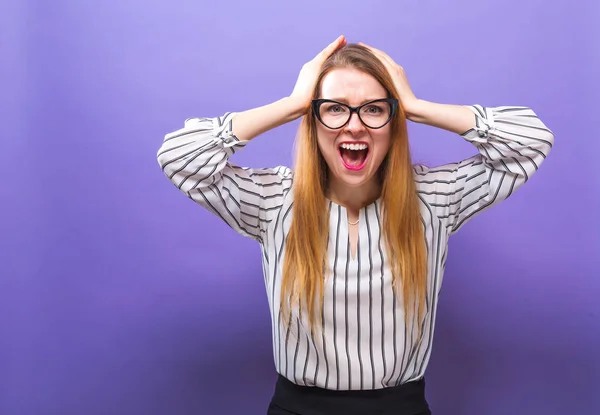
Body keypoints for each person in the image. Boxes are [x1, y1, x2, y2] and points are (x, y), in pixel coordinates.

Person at [156, 35, 554, 415]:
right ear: (312, 122)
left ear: (392, 122)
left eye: (374, 109)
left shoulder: (432, 198)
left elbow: (531, 141)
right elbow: (179, 157)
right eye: (334, 108)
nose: (355, 126)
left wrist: (415, 106)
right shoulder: (275, 200)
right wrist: (293, 103)